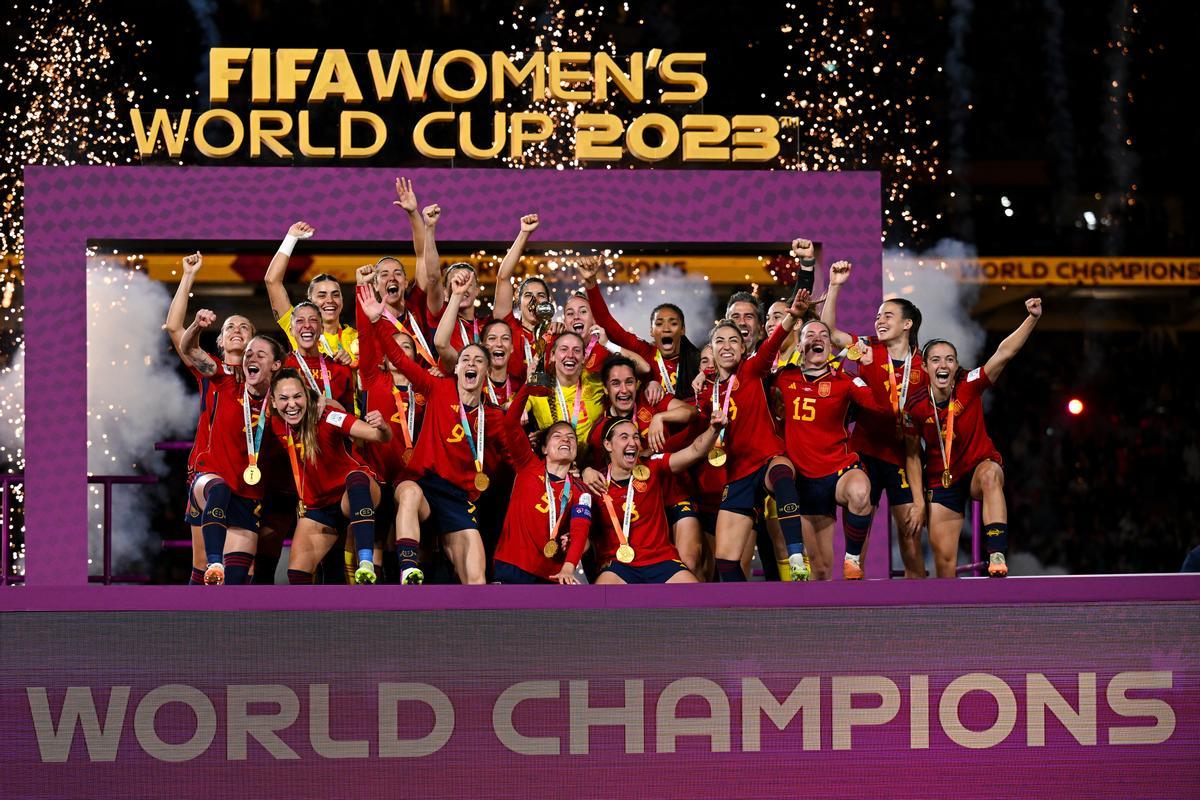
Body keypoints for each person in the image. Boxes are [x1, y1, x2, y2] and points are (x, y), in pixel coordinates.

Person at [361, 285, 508, 585]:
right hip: (423, 482)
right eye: (465, 359)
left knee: (477, 578)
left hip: (459, 497)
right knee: (409, 494)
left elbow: (517, 459)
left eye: (478, 361)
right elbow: (401, 361)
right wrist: (377, 322)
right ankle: (407, 570)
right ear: (456, 369)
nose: (470, 364)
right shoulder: (437, 388)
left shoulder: (494, 416)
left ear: (486, 372)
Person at [906, 298, 1044, 578]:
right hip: (941, 480)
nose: (943, 364)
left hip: (978, 467)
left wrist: (1032, 318)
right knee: (945, 566)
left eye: (949, 359)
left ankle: (996, 551)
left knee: (992, 475)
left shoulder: (970, 385)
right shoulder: (916, 406)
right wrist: (919, 502)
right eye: (936, 360)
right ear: (925, 368)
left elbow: (1003, 354)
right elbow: (911, 455)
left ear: (956, 367)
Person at [775, 320, 908, 580]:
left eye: (824, 335)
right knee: (821, 569)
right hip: (803, 479)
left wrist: (872, 369)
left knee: (861, 492)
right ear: (800, 345)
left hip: (838, 469)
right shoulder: (783, 377)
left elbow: (882, 408)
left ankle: (853, 558)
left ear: (830, 346)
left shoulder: (847, 381)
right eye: (810, 334)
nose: (818, 338)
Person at [821, 257, 928, 578]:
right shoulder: (866, 347)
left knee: (910, 540)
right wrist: (835, 287)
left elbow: (914, 438)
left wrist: (920, 500)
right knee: (858, 545)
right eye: (878, 315)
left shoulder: (923, 369)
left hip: (902, 458)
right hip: (864, 454)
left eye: (888, 316)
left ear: (907, 324)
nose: (879, 320)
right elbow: (828, 333)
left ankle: (921, 612)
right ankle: (856, 611)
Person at [703, 287, 814, 582]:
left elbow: (773, 343)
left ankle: (795, 555)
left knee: (782, 474)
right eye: (719, 341)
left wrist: (793, 316)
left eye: (733, 341)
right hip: (738, 474)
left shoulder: (751, 371)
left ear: (742, 349)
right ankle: (742, 618)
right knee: (726, 562)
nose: (726, 346)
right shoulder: (706, 394)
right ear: (711, 351)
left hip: (767, 459)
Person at [164, 252, 255, 584]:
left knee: (237, 573)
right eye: (230, 326)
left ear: (255, 342)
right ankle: (186, 630)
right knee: (205, 565)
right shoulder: (211, 372)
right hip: (209, 474)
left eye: (244, 327)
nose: (236, 330)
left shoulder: (267, 382)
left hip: (249, 481)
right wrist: (188, 275)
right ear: (220, 339)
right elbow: (176, 331)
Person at [179, 316, 284, 585]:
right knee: (208, 568)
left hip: (249, 493)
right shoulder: (224, 378)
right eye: (249, 354)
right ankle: (216, 561)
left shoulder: (283, 400)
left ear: (275, 365)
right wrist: (198, 327)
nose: (252, 358)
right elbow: (189, 349)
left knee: (236, 582)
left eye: (260, 354)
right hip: (210, 478)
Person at [268, 368, 391, 585]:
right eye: (284, 398)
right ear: (274, 402)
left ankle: (365, 563)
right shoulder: (276, 423)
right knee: (297, 574)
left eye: (297, 396)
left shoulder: (328, 417)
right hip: (319, 508)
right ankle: (311, 619)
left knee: (356, 478)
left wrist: (382, 427)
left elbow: (378, 436)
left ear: (307, 396)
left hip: (352, 494)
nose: (292, 404)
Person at [587, 410, 727, 584]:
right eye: (624, 437)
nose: (633, 443)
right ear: (608, 445)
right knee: (602, 596)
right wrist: (586, 472)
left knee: (694, 596)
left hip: (661, 560)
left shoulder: (653, 467)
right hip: (619, 565)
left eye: (636, 437)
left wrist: (713, 429)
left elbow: (695, 451)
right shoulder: (595, 484)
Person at [578, 257, 702, 399]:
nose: (666, 328)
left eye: (673, 323)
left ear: (682, 330)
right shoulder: (644, 351)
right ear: (651, 331)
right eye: (659, 323)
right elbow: (607, 322)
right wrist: (590, 282)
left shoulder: (697, 360)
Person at [264, 221, 358, 364]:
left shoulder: (356, 338)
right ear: (310, 301)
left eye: (335, 294)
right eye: (322, 295)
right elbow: (272, 281)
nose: (330, 300)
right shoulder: (298, 328)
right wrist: (291, 238)